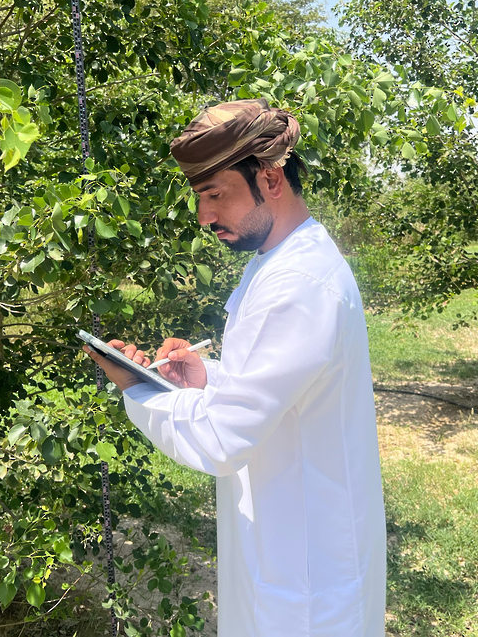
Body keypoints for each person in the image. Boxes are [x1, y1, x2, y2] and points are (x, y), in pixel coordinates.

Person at [83, 99, 386, 637]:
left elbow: (222, 439)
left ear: (270, 178)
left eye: (215, 195)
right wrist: (209, 378)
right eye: (200, 198)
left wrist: (136, 389)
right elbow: (283, 385)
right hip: (285, 541)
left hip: (306, 578)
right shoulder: (279, 260)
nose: (203, 217)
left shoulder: (297, 283)